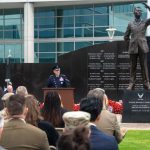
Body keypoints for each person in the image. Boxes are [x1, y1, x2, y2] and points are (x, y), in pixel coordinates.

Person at [124, 3, 150, 90]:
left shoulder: (145, 22)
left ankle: (146, 83)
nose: (138, 11)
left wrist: (149, 8)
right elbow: (126, 36)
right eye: (136, 10)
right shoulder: (130, 24)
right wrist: (131, 42)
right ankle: (132, 84)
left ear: (141, 13)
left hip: (143, 47)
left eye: (139, 11)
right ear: (134, 12)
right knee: (132, 67)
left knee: (144, 66)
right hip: (133, 48)